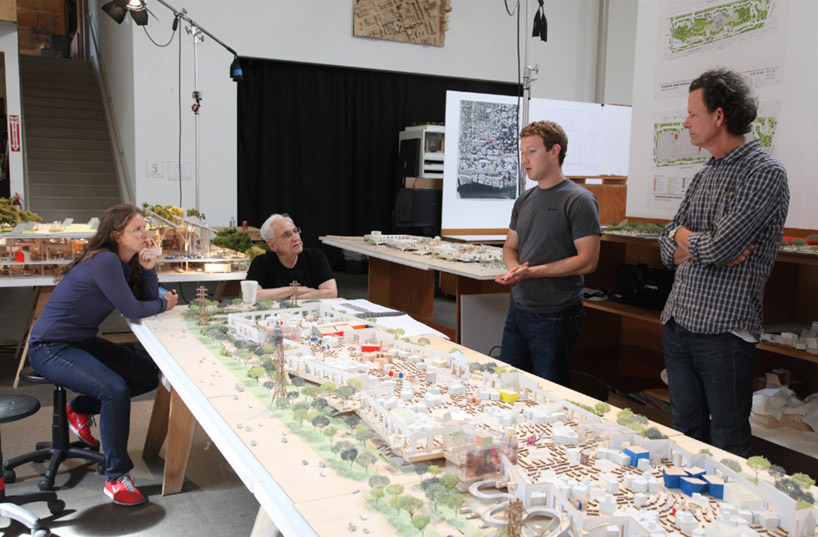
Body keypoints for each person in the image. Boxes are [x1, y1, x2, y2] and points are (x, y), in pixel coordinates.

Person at [659, 68, 789, 457]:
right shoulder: (705, 173)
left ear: (719, 116)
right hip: (679, 321)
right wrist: (689, 240)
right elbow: (666, 245)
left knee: (729, 443)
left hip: (724, 331)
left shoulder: (764, 172)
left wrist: (687, 239)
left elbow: (719, 247)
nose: (686, 123)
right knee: (684, 434)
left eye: (693, 114)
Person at [28, 204, 178, 506]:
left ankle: (79, 409)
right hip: (50, 347)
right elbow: (134, 309)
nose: (145, 235)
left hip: (81, 341)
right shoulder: (105, 260)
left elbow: (145, 301)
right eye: (137, 229)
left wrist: (149, 269)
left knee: (149, 374)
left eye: (145, 228)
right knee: (114, 390)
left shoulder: (125, 262)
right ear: (116, 235)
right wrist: (166, 304)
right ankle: (116, 477)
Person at [495, 121, 601, 386]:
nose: (524, 160)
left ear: (554, 151)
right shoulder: (525, 200)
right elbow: (510, 247)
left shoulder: (579, 200)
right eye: (522, 152)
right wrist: (514, 269)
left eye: (531, 152)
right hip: (519, 309)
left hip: (556, 314)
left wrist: (533, 272)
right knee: (509, 386)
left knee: (549, 392)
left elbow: (588, 260)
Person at [246, 213, 337, 300]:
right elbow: (251, 295)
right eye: (286, 235)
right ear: (272, 245)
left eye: (295, 231)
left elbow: (331, 293)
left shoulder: (315, 256)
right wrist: (294, 290)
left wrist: (287, 298)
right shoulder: (262, 262)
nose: (296, 238)